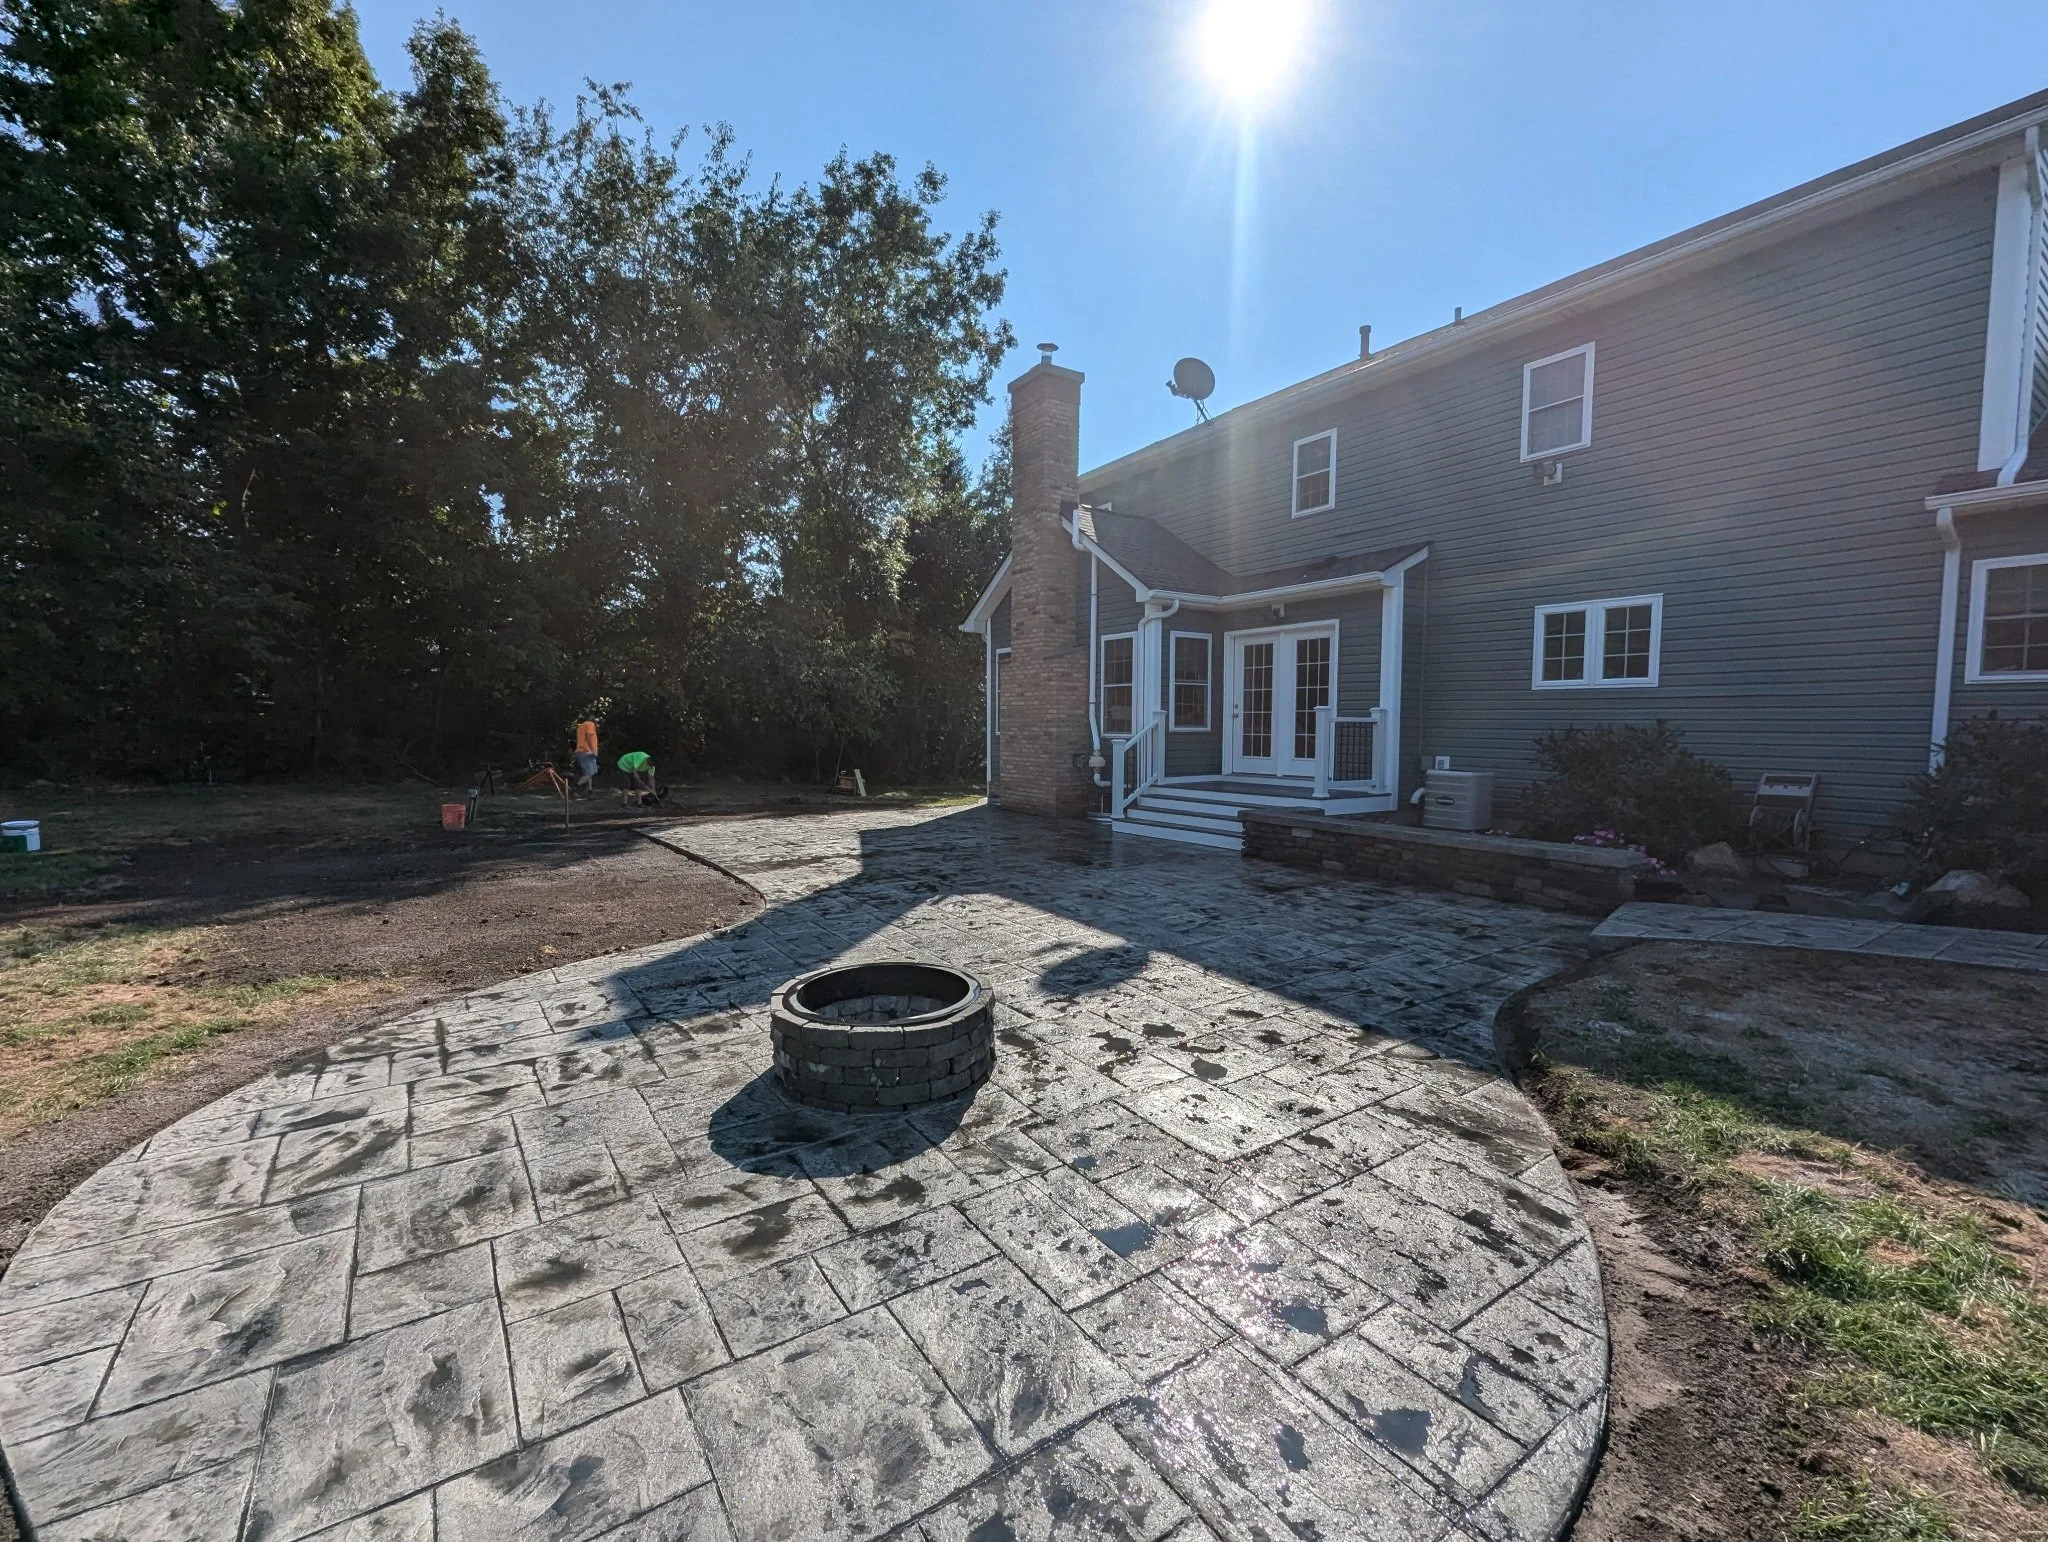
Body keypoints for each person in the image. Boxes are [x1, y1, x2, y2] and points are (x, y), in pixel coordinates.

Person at [572, 717, 600, 792]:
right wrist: (592, 750)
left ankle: (590, 792)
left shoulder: (580, 726)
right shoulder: (590, 724)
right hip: (587, 752)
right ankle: (574, 788)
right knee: (591, 772)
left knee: (587, 773)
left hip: (580, 752)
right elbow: (588, 736)